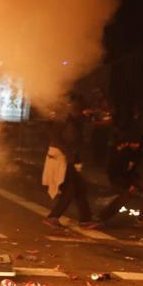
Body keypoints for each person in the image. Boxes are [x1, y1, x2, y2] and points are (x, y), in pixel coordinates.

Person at [44, 94, 91, 227]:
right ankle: (55, 217)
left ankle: (85, 219)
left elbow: (76, 142)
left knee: (78, 187)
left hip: (67, 158)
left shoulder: (75, 121)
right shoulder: (64, 120)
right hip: (61, 159)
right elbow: (58, 140)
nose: (81, 112)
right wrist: (70, 155)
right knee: (72, 188)